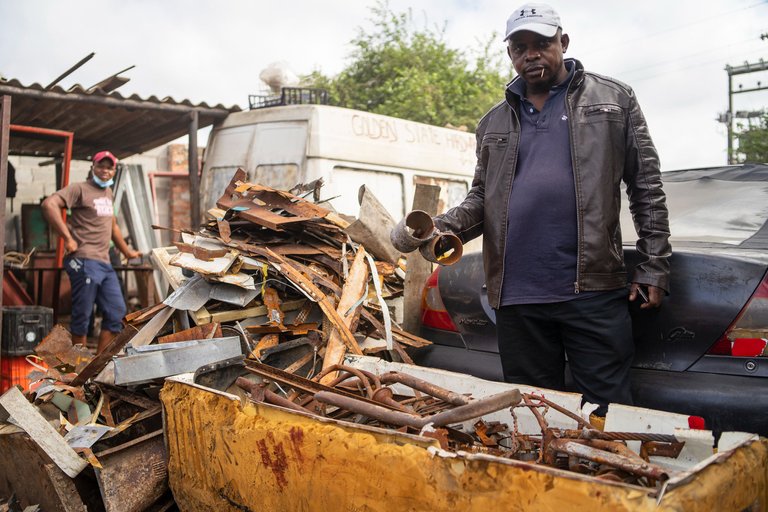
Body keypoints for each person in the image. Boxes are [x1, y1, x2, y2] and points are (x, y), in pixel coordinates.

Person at [429, 3, 671, 416]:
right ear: (510, 55)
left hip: (591, 291)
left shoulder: (614, 101)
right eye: (520, 47)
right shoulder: (493, 123)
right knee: (533, 416)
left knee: (608, 413)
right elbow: (481, 199)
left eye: (541, 43)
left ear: (563, 42)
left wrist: (654, 265)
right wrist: (440, 226)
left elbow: (646, 186)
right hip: (517, 297)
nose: (531, 54)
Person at [42, 150, 141, 353]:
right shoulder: (79, 189)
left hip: (104, 262)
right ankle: (80, 367)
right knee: (82, 316)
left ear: (114, 170)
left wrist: (128, 252)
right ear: (93, 168)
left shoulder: (108, 192)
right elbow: (49, 204)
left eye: (109, 167)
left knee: (116, 312)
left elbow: (112, 227)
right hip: (83, 260)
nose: (105, 171)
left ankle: (95, 366)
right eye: (101, 166)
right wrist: (68, 239)